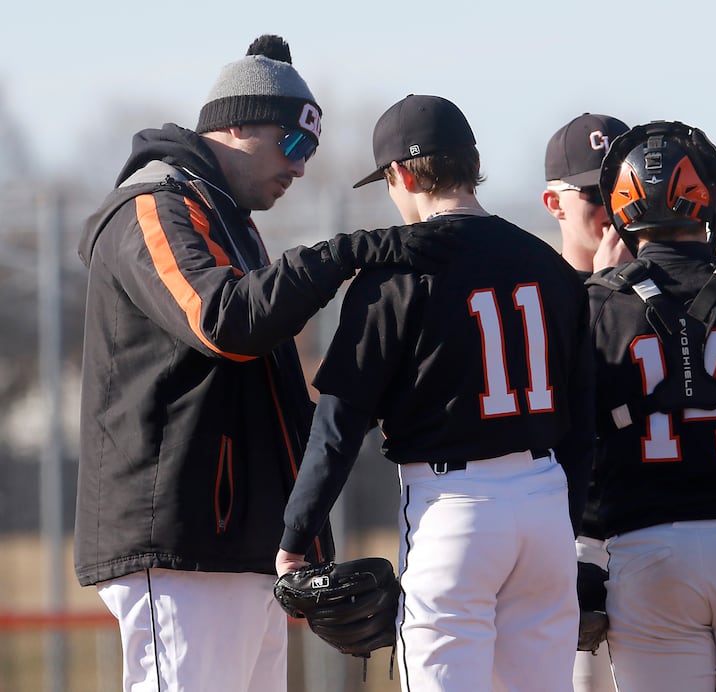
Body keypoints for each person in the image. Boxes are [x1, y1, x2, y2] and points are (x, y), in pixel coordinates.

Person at [74, 36, 452, 692]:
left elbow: (271, 399)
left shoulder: (233, 224)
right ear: (236, 124)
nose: (303, 167)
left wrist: (368, 403)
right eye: (296, 144)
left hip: (235, 546)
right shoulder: (151, 204)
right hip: (180, 545)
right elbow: (225, 323)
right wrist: (338, 256)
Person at [275, 94, 595, 691]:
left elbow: (339, 426)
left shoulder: (395, 273)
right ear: (472, 164)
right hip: (546, 501)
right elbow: (583, 424)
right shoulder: (548, 264)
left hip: (454, 508)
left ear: (399, 175)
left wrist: (297, 539)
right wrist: (563, 522)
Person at [586, 119, 716, 691]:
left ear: (621, 209)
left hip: (646, 550)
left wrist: (582, 555)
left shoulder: (595, 309)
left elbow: (570, 444)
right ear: (710, 200)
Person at [542, 112, 629, 692]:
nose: (611, 208)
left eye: (620, 189)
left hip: (652, 532)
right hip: (569, 538)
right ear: (554, 203)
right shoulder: (536, 289)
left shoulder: (669, 292)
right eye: (594, 193)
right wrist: (600, 293)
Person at [542, 113, 632, 279]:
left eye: (626, 190)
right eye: (597, 193)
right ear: (555, 203)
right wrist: (607, 285)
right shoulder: (544, 289)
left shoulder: (670, 281)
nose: (614, 204)